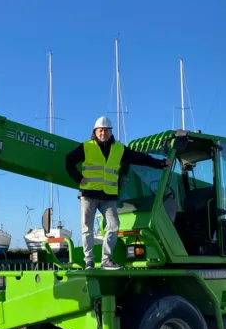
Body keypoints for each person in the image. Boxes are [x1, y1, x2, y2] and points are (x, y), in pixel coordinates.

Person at [65, 116, 168, 270]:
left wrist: (160, 163)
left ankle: (106, 260)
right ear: (95, 132)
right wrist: (78, 178)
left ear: (110, 132)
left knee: (113, 226)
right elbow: (69, 161)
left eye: (106, 130)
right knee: (87, 229)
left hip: (108, 196)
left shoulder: (118, 148)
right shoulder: (86, 146)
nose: (103, 133)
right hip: (89, 195)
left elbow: (138, 157)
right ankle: (89, 261)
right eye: (100, 130)